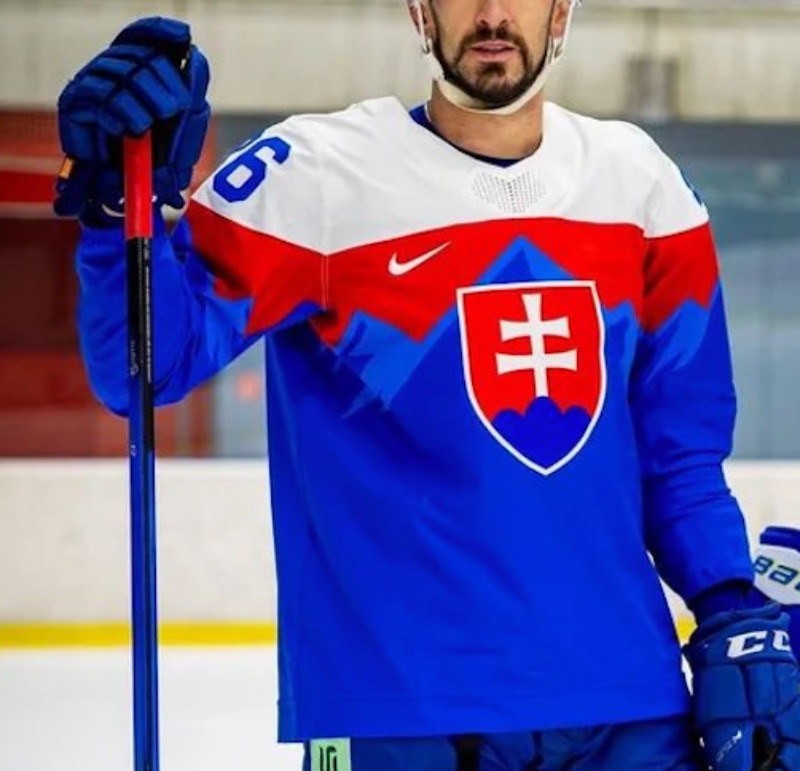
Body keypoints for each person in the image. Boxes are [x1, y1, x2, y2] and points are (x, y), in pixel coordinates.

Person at [54, 4, 800, 770]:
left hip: (627, 711)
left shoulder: (644, 188)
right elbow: (149, 363)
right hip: (401, 716)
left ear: (562, 10)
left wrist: (730, 606)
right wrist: (115, 213)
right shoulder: (313, 176)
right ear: (420, 8)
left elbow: (681, 459)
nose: (493, 14)